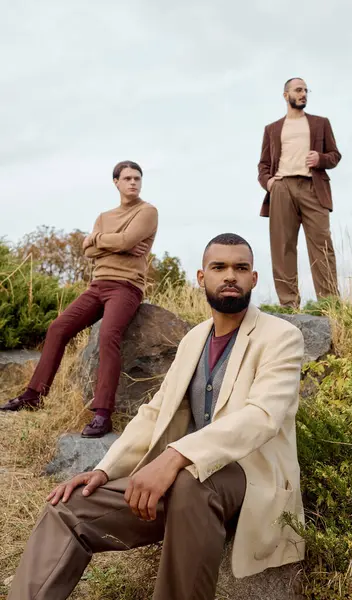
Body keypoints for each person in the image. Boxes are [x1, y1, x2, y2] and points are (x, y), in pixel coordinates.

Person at [8, 233, 305, 600]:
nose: (230, 276)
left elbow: (263, 416)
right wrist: (105, 469)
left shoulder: (282, 337)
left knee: (189, 483)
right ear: (201, 277)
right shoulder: (194, 338)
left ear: (253, 279)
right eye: (219, 267)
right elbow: (154, 412)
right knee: (68, 507)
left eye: (240, 268)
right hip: (186, 484)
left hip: (249, 479)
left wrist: (175, 457)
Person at [0, 160, 158, 438]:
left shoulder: (147, 211)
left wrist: (97, 240)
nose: (133, 182)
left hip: (126, 287)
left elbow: (122, 242)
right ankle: (34, 395)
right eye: (128, 178)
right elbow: (90, 252)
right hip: (97, 286)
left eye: (138, 178)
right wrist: (111, 242)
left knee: (108, 335)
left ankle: (102, 414)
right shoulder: (104, 216)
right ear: (116, 182)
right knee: (58, 328)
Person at [258, 77, 341, 308]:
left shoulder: (320, 123)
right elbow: (263, 164)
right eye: (298, 90)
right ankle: (289, 305)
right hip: (282, 188)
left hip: (313, 188)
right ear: (286, 95)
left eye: (306, 90)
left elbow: (335, 155)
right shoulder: (272, 129)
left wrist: (321, 158)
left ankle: (330, 305)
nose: (303, 94)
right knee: (282, 247)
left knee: (322, 246)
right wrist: (269, 183)